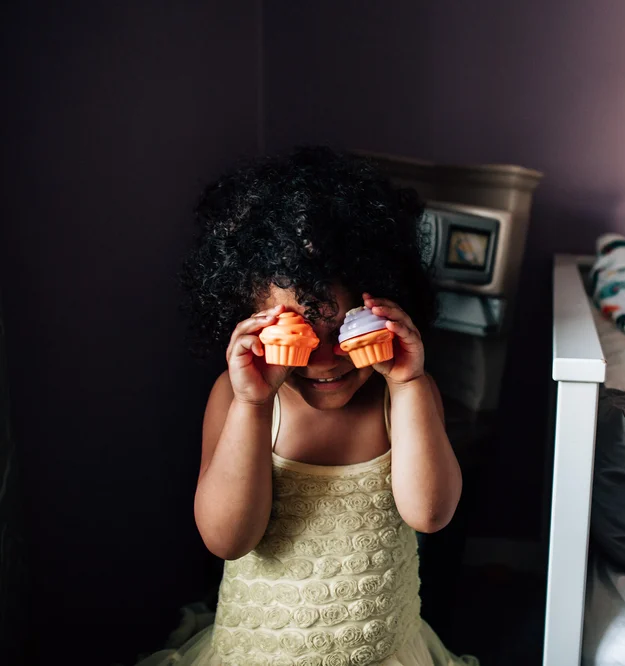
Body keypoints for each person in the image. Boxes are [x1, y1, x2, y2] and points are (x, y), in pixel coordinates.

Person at [140, 147, 475, 666]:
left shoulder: (404, 395)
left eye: (345, 327)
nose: (323, 358)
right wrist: (252, 405)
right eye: (297, 330)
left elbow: (430, 515)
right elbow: (227, 539)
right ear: (248, 320)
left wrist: (409, 385)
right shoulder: (237, 400)